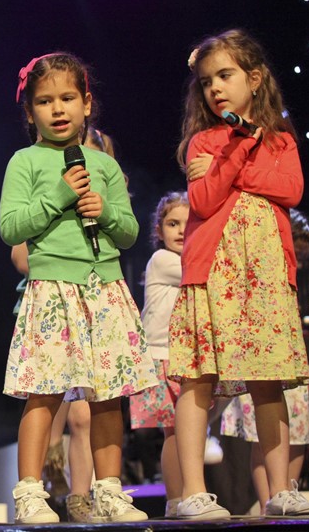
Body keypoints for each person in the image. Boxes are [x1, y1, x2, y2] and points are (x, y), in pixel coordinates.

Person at [0, 52, 156, 524]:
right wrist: (60, 195)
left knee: (108, 395)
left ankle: (109, 491)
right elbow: (10, 227)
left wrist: (104, 210)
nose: (58, 109)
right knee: (43, 393)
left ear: (86, 103)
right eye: (45, 101)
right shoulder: (25, 161)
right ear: (30, 113)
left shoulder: (104, 165)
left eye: (67, 98)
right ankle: (31, 493)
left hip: (104, 287)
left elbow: (128, 232)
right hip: (53, 289)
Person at [169, 29, 309, 519]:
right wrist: (232, 154)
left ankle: (280, 489)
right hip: (215, 273)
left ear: (254, 79)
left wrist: (236, 162)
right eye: (207, 81)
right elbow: (206, 199)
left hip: (264, 277)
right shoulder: (204, 142)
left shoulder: (281, 140)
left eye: (225, 76)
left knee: (268, 381)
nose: (215, 88)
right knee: (199, 378)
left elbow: (291, 190)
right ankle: (192, 491)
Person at [128, 191, 189, 517]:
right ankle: (177, 499)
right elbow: (200, 270)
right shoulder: (163, 260)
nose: (181, 230)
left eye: (188, 223)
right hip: (162, 353)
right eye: (172, 223)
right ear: (159, 230)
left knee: (184, 430)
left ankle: (185, 496)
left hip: (183, 353)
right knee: (174, 430)